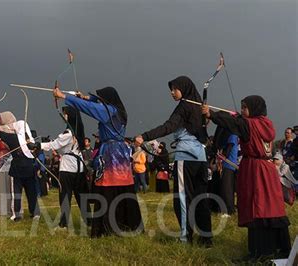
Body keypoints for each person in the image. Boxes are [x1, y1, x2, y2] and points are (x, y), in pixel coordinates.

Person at [202, 95, 291, 260]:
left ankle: (260, 253)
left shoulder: (248, 124)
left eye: (245, 107)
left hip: (256, 170)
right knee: (272, 207)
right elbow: (236, 121)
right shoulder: (266, 123)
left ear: (254, 108)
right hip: (268, 169)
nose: (242, 111)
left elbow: (232, 123)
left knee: (257, 207)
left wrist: (211, 114)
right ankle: (279, 249)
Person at [54, 85, 143, 237]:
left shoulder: (108, 111)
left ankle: (108, 228)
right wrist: (86, 97)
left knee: (107, 189)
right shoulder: (118, 111)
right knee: (123, 188)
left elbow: (89, 108)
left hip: (110, 154)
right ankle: (126, 224)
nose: (99, 102)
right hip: (120, 154)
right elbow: (94, 103)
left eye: (101, 99)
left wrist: (64, 96)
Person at [135, 76, 211, 246]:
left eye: (174, 89)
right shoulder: (199, 106)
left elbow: (168, 126)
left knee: (183, 199)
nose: (172, 92)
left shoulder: (184, 106)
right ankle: (207, 239)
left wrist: (144, 136)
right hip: (200, 158)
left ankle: (185, 238)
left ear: (184, 88)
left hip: (186, 158)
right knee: (201, 198)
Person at [34, 106, 91, 229]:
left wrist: (38, 145)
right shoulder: (79, 131)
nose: (64, 116)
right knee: (81, 197)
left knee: (65, 196)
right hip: (79, 169)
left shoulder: (68, 133)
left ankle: (64, 224)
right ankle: (89, 222)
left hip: (68, 169)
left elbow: (55, 144)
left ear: (69, 116)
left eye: (66, 114)